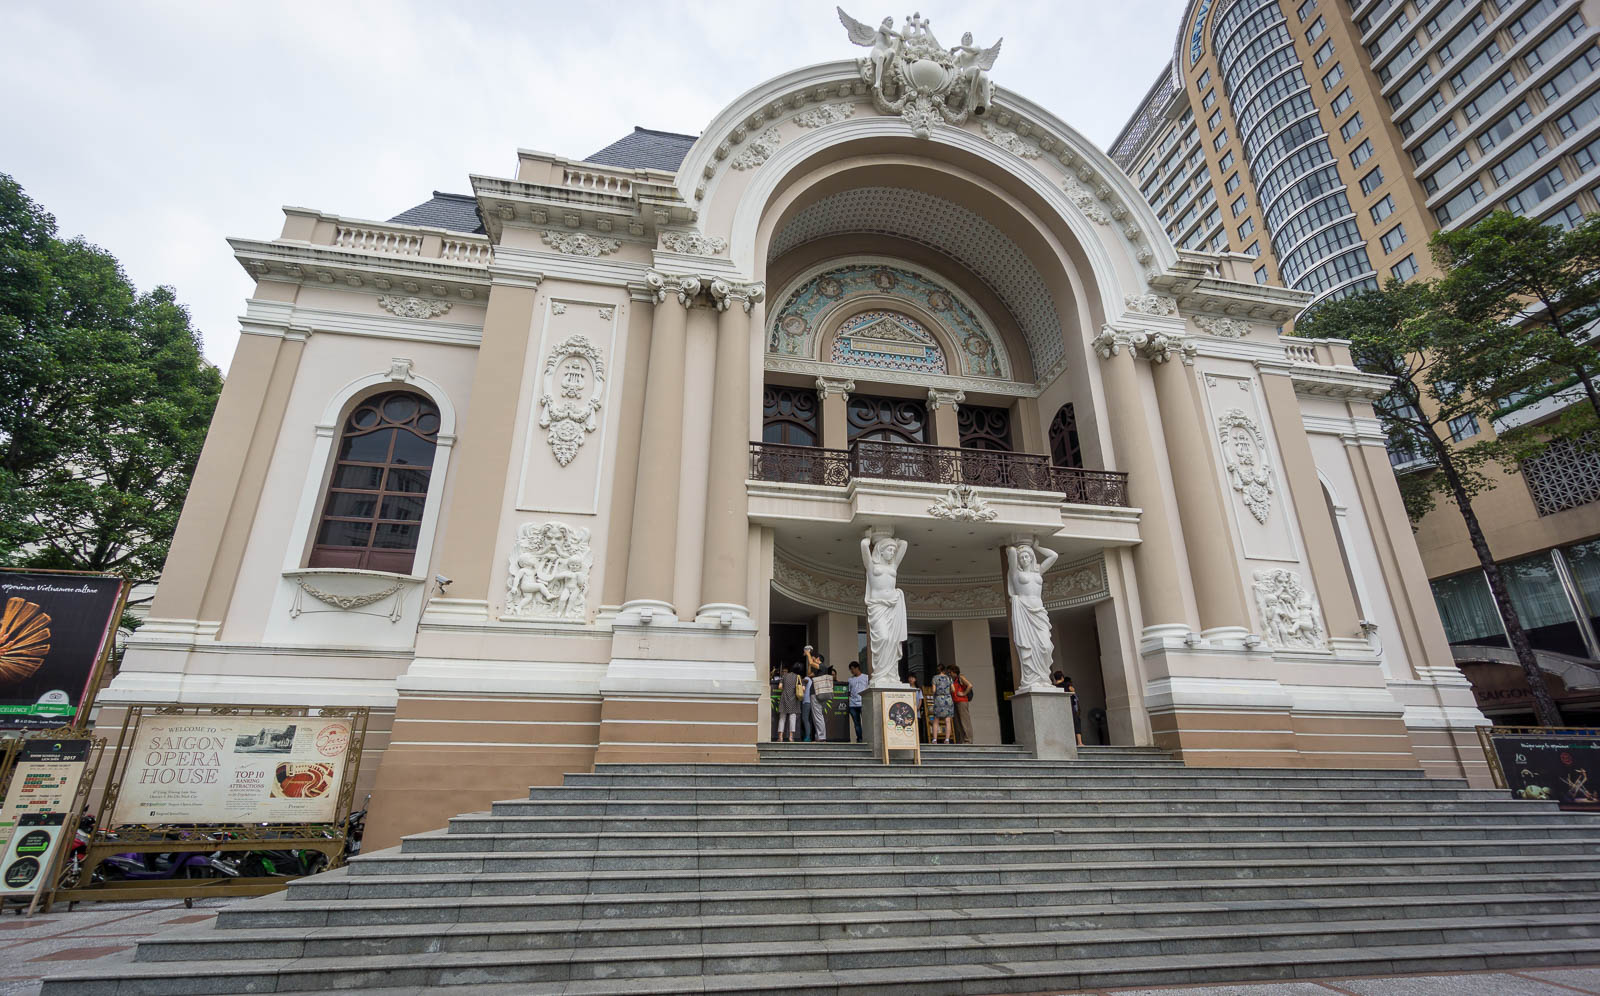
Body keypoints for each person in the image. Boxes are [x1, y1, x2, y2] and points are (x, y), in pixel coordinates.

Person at [778, 663, 803, 742]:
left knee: (782, 718)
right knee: (792, 717)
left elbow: (780, 687)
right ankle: (791, 737)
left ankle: (780, 737)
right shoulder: (798, 677)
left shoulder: (784, 676)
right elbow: (803, 688)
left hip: (784, 698)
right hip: (794, 699)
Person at [949, 664, 973, 744]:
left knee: (965, 721)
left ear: (954, 672)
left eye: (950, 672)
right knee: (958, 722)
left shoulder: (961, 677)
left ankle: (968, 740)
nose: (950, 674)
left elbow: (970, 685)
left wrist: (963, 693)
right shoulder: (954, 680)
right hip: (956, 702)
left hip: (962, 702)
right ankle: (962, 740)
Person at [930, 665, 955, 744]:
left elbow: (933, 690)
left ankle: (934, 739)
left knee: (936, 720)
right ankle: (947, 739)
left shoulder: (935, 678)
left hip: (938, 699)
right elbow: (953, 690)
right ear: (944, 670)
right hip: (948, 699)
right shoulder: (949, 678)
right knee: (948, 720)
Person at [846, 662, 869, 743]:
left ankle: (867, 738)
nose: (851, 671)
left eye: (852, 669)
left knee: (866, 722)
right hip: (853, 704)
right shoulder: (850, 680)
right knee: (856, 724)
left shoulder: (866, 677)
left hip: (863, 703)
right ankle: (859, 739)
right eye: (850, 669)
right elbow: (848, 692)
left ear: (857, 668)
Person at [1064, 676, 1083, 746]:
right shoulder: (1069, 689)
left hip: (1071, 710)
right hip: (1073, 710)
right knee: (1077, 725)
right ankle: (1080, 742)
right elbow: (1076, 700)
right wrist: (1078, 710)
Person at [906, 672, 925, 742]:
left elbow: (920, 700)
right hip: (908, 710)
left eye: (912, 678)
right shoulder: (907, 688)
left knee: (917, 726)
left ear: (915, 679)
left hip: (916, 710)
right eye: (910, 678)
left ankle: (917, 740)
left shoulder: (918, 689)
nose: (911, 679)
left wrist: (918, 708)